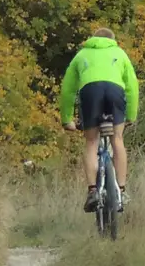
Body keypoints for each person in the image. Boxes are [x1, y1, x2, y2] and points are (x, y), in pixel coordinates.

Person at [59, 27, 139, 212]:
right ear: (112, 40)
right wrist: (130, 116)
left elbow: (68, 90)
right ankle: (121, 190)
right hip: (114, 92)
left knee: (92, 142)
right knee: (117, 139)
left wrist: (67, 119)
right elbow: (132, 87)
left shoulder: (81, 55)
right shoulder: (120, 53)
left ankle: (93, 191)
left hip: (90, 92)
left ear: (92, 39)